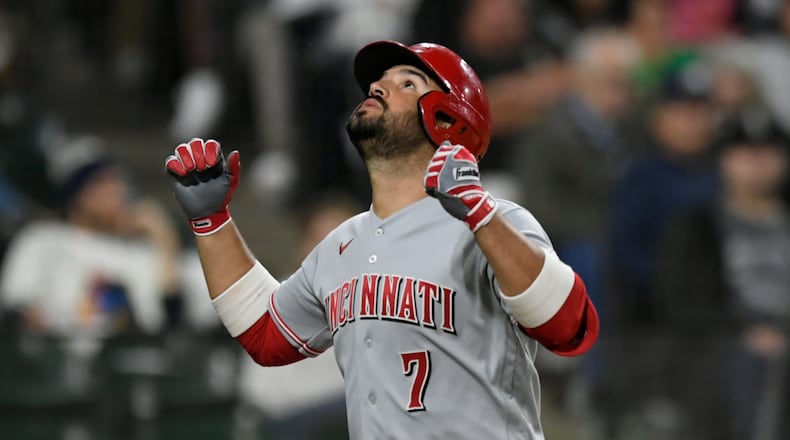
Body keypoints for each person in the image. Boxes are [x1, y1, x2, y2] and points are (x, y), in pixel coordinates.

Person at [164, 40, 599, 439]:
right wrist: (212, 223)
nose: (377, 86)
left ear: (447, 118)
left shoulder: (496, 221)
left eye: (406, 82)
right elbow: (266, 332)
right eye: (378, 81)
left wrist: (481, 214)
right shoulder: (341, 244)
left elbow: (570, 327)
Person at [655, 107, 790, 440]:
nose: (757, 163)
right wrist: (742, 331)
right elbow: (680, 302)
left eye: (767, 153)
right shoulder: (697, 225)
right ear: (723, 161)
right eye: (744, 154)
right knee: (750, 364)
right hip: (723, 343)